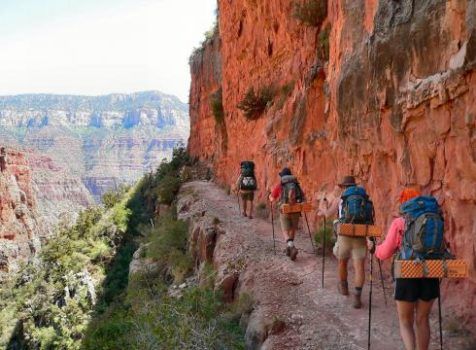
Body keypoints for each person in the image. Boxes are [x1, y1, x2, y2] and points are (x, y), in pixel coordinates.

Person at [367, 188, 439, 350]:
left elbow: (384, 252)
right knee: (423, 319)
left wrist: (373, 249)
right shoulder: (434, 219)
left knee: (406, 322)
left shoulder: (400, 222)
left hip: (407, 272)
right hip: (431, 272)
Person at [318, 175, 369, 308]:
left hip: (345, 233)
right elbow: (370, 215)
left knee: (342, 261)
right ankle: (357, 296)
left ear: (344, 187)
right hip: (360, 233)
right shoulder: (364, 197)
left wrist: (323, 205)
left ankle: (344, 288)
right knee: (359, 267)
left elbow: (328, 214)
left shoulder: (340, 199)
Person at [268, 167, 304, 261]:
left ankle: (291, 246)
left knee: (285, 230)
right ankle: (290, 248)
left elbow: (272, 198)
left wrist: (270, 198)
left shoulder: (281, 185)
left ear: (283, 176)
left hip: (285, 209)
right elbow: (302, 197)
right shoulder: (296, 184)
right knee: (292, 229)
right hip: (296, 209)